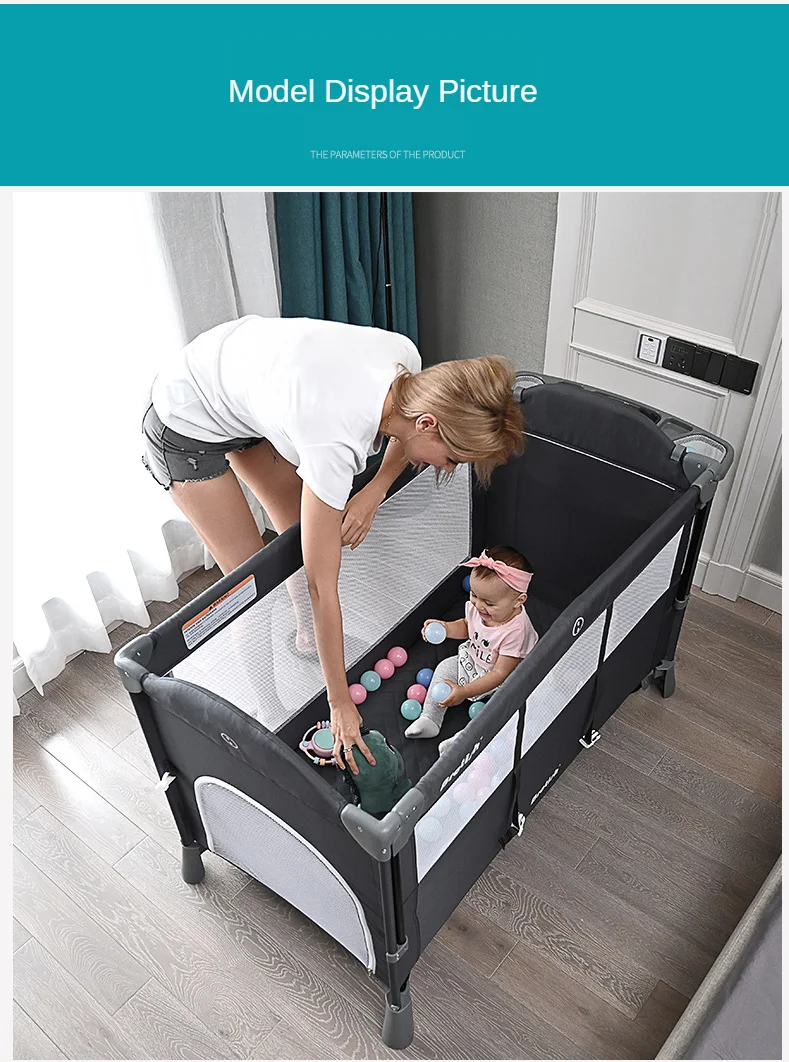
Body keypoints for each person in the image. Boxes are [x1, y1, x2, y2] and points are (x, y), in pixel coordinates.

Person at [141, 314, 525, 773]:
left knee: (295, 536)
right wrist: (339, 703)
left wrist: (374, 491)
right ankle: (269, 717)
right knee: (250, 588)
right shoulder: (334, 441)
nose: (447, 469)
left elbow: (403, 430)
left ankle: (306, 636)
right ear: (429, 423)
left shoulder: (406, 362)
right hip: (186, 418)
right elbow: (323, 587)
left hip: (251, 389)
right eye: (452, 457)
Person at [405, 546, 538, 744]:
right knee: (444, 668)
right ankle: (430, 719)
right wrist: (446, 628)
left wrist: (465, 691)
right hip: (474, 660)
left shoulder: (516, 631)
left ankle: (464, 740)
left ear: (518, 601)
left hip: (505, 676)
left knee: (503, 704)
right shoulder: (477, 607)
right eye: (474, 595)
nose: (479, 605)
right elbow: (468, 626)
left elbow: (500, 673)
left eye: (489, 603)